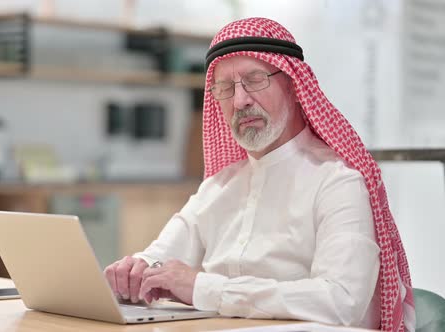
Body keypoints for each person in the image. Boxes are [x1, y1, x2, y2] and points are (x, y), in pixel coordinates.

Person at [103, 17, 415, 332]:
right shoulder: (219, 186)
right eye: (225, 88)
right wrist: (135, 272)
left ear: (294, 86)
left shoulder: (338, 181)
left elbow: (340, 302)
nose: (240, 101)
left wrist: (203, 288)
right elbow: (159, 258)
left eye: (255, 80)